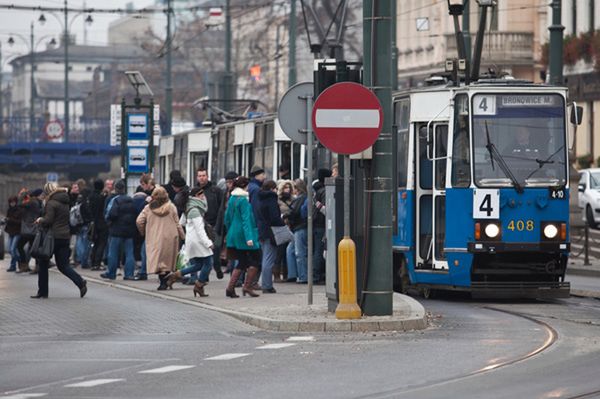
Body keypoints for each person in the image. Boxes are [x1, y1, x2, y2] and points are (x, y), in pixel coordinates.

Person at [31, 182, 87, 299]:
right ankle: (80, 282)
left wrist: (40, 220)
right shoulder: (65, 201)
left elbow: (49, 220)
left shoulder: (51, 203)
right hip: (64, 237)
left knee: (43, 263)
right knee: (63, 265)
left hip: (52, 238)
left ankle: (43, 292)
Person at [166, 188, 214, 296]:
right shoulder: (195, 210)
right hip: (199, 241)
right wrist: (208, 243)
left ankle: (175, 275)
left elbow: (182, 222)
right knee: (208, 263)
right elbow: (200, 230)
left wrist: (189, 226)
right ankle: (199, 285)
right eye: (202, 194)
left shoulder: (188, 207)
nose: (203, 196)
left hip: (191, 240)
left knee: (197, 265)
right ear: (196, 195)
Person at [136, 186, 185, 290]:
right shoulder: (171, 207)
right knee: (167, 260)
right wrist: (183, 236)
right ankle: (166, 279)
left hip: (155, 237)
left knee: (158, 260)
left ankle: (163, 281)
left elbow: (139, 221)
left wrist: (143, 231)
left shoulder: (148, 208)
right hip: (171, 237)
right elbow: (178, 224)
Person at [224, 176, 261, 298]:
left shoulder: (232, 198)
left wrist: (230, 232)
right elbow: (246, 220)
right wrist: (249, 238)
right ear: (245, 186)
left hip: (234, 233)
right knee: (256, 258)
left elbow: (227, 218)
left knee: (242, 260)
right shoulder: (243, 200)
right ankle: (247, 286)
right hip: (244, 234)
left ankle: (230, 287)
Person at [101, 180, 137, 281]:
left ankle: (111, 273)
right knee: (129, 253)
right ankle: (129, 274)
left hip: (116, 230)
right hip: (129, 231)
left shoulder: (115, 200)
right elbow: (135, 213)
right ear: (124, 189)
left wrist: (109, 223)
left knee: (113, 252)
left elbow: (110, 214)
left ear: (116, 189)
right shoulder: (131, 200)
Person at [256, 180, 286, 293]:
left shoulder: (260, 198)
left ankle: (265, 284)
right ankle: (267, 285)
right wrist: (282, 223)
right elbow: (274, 217)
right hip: (271, 231)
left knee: (265, 257)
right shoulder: (271, 199)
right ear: (273, 188)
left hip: (262, 231)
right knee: (269, 259)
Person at [195, 167, 223, 279]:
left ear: (207, 176)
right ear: (197, 177)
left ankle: (217, 267)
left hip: (214, 224)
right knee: (203, 252)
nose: (202, 178)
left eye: (204, 175)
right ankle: (204, 275)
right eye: (200, 176)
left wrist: (219, 224)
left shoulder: (215, 191)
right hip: (201, 225)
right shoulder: (195, 191)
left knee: (215, 250)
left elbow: (221, 208)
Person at [17, 188, 43, 273]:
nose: (42, 196)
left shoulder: (32, 202)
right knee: (33, 249)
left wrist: (22, 195)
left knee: (20, 246)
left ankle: (24, 265)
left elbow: (19, 204)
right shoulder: (38, 203)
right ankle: (37, 266)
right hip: (34, 229)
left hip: (28, 230)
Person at [312, 169, 331, 283]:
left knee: (317, 250)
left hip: (316, 223)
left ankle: (316, 275)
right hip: (322, 223)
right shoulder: (324, 191)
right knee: (320, 250)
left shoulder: (316, 189)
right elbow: (326, 208)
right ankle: (317, 276)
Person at [287, 179, 308, 284]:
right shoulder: (303, 198)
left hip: (299, 227)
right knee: (291, 250)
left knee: (299, 253)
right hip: (299, 227)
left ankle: (302, 276)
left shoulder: (300, 199)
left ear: (297, 188)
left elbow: (293, 212)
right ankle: (293, 274)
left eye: (294, 188)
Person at [275, 180, 294, 282]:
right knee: (280, 252)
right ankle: (277, 276)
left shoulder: (293, 199)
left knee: (288, 252)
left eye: (289, 188)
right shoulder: (277, 200)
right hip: (281, 228)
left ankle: (287, 274)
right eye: (285, 188)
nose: (288, 190)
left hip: (291, 227)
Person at [89, 179, 108, 271]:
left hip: (93, 223)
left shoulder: (90, 196)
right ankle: (97, 263)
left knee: (95, 243)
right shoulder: (101, 198)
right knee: (101, 243)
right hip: (101, 222)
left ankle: (92, 262)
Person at [132, 188, 149, 280]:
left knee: (143, 251)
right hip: (155, 232)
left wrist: (141, 231)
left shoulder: (134, 201)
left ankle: (142, 272)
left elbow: (139, 220)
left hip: (136, 230)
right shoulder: (169, 207)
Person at [5, 196, 23, 272]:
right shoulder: (9, 210)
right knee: (9, 250)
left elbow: (20, 222)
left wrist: (10, 220)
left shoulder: (19, 210)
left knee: (13, 249)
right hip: (10, 231)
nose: (12, 203)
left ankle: (19, 262)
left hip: (17, 232)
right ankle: (19, 261)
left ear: (16, 202)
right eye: (11, 202)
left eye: (13, 202)